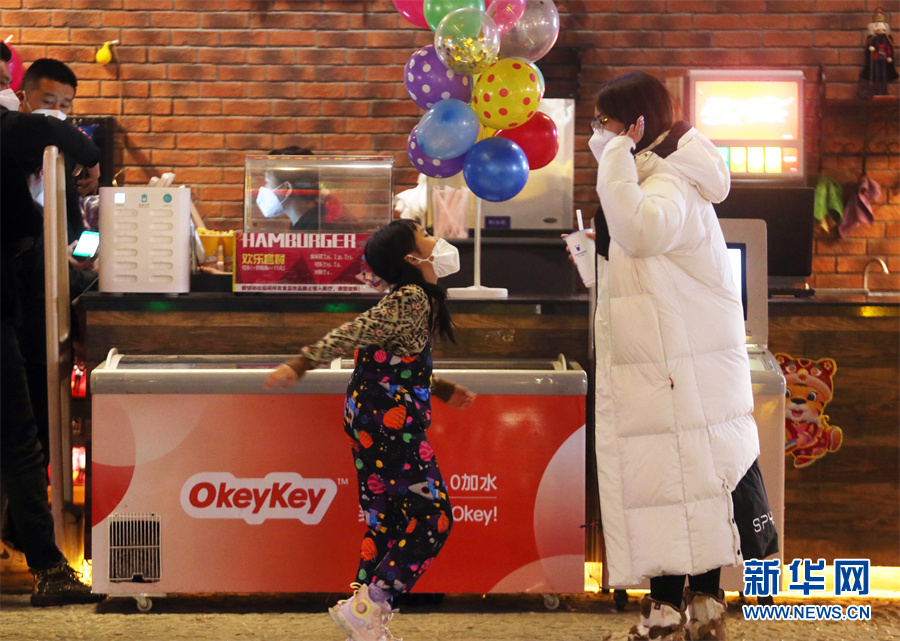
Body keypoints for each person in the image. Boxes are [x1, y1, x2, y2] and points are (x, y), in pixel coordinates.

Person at [579, 73, 772, 641]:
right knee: (680, 485)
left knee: (683, 483)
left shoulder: (667, 180)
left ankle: (678, 610)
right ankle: (692, 609)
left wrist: (615, 157)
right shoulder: (658, 175)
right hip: (671, 361)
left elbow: (640, 232)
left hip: (676, 365)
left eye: (605, 122)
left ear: (635, 124)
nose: (598, 132)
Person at [266, 219, 475, 641]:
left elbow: (394, 363)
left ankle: (361, 621)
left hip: (369, 418)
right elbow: (355, 331)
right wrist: (302, 363)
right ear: (411, 258)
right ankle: (369, 606)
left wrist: (440, 388)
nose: (435, 239)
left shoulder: (409, 299)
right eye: (424, 235)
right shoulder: (412, 298)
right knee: (433, 518)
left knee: (387, 522)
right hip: (387, 423)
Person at [0, 41, 106, 607]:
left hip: (28, 306)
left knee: (26, 433)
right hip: (12, 307)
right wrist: (87, 155)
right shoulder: (17, 131)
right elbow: (70, 138)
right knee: (20, 437)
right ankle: (47, 565)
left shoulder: (28, 144)